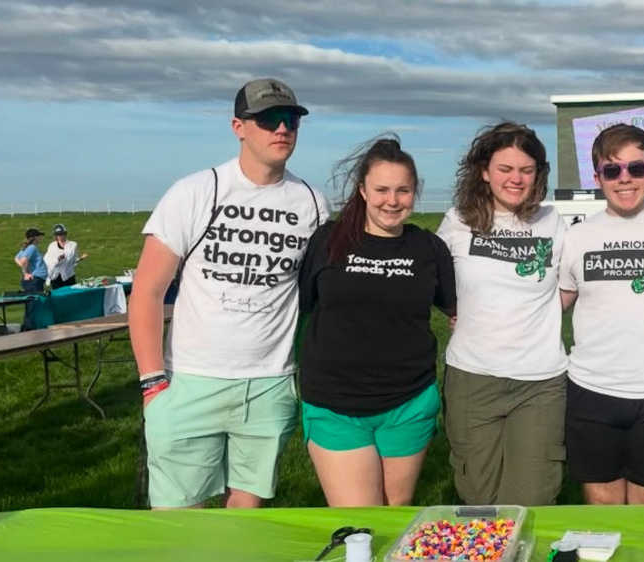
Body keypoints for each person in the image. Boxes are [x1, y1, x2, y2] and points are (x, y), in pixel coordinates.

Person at [129, 78, 328, 510]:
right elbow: (146, 291)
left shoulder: (312, 202)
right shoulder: (195, 191)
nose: (282, 129)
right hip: (190, 379)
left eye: (291, 119)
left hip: (270, 383)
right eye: (268, 119)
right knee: (180, 522)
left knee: (246, 520)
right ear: (239, 126)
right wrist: (152, 385)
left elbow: (319, 295)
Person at [297, 135, 455, 507]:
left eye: (403, 190)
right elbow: (303, 304)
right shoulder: (328, 241)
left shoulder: (429, 249)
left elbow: (455, 310)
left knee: (395, 515)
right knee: (361, 525)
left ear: (415, 193)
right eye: (382, 189)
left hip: (409, 402)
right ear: (363, 191)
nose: (392, 200)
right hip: (336, 404)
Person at [558, 123, 644, 505]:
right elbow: (553, 303)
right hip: (591, 389)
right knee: (602, 507)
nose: (624, 179)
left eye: (636, 169)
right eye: (612, 169)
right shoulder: (577, 237)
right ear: (596, 174)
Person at [436, 122, 568, 506]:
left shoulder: (552, 222)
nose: (516, 179)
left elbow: (569, 286)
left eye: (526, 170)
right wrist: (459, 310)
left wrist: (534, 316)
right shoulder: (457, 222)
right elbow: (435, 281)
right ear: (484, 171)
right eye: (506, 169)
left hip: (539, 383)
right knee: (478, 499)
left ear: (538, 174)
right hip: (473, 379)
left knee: (533, 499)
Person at [44, 223, 88, 288]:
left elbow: (74, 260)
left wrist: (81, 258)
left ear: (65, 233)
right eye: (57, 235)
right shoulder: (52, 246)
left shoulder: (73, 245)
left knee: (71, 294)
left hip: (69, 276)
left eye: (61, 234)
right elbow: (47, 260)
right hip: (56, 276)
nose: (60, 236)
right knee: (58, 295)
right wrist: (58, 259)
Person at [14, 228, 48, 292]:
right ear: (35, 237)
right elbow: (23, 260)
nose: (40, 237)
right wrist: (26, 272)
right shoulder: (32, 248)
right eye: (38, 236)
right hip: (34, 281)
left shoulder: (26, 248)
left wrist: (23, 267)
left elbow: (16, 258)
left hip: (33, 281)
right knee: (37, 300)